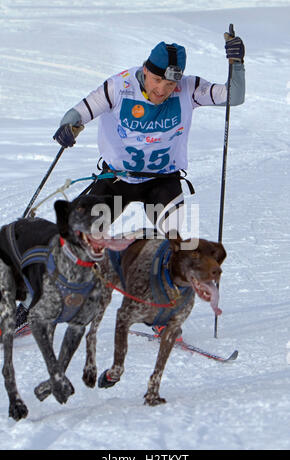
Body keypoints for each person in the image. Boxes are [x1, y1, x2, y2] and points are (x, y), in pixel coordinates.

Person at [14, 33, 245, 337]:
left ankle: (163, 316)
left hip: (162, 183)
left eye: (170, 85)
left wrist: (237, 63)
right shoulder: (119, 87)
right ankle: (32, 306)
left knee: (179, 247)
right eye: (157, 81)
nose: (162, 90)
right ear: (145, 70)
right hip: (116, 180)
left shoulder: (189, 88)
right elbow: (78, 112)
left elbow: (234, 96)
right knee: (76, 240)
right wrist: (68, 127)